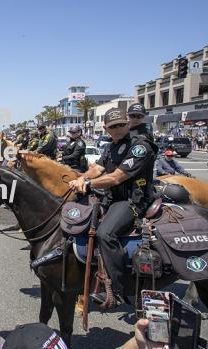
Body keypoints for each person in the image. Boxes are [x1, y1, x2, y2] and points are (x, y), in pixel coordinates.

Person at [68, 108, 157, 308]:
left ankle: (119, 289)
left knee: (105, 233)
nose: (117, 129)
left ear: (127, 123)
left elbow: (117, 177)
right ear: (106, 129)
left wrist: (89, 184)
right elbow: (97, 168)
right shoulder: (110, 147)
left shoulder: (140, 147)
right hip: (110, 199)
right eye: (113, 126)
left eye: (121, 125)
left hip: (133, 202)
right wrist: (82, 177)